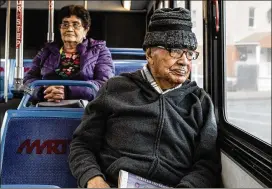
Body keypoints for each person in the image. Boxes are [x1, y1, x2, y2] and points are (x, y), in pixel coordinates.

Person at [69, 7, 221, 188]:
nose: (184, 61)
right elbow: (82, 144)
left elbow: (207, 164)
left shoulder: (199, 102)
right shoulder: (116, 88)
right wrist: (93, 179)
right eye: (174, 50)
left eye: (189, 53)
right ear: (149, 54)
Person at [23, 5, 114, 103]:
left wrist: (67, 91)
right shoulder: (46, 51)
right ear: (60, 28)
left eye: (76, 24)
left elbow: (105, 86)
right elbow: (25, 85)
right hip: (46, 103)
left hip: (86, 109)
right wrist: (41, 92)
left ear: (85, 30)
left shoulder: (99, 51)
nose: (69, 29)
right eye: (65, 24)